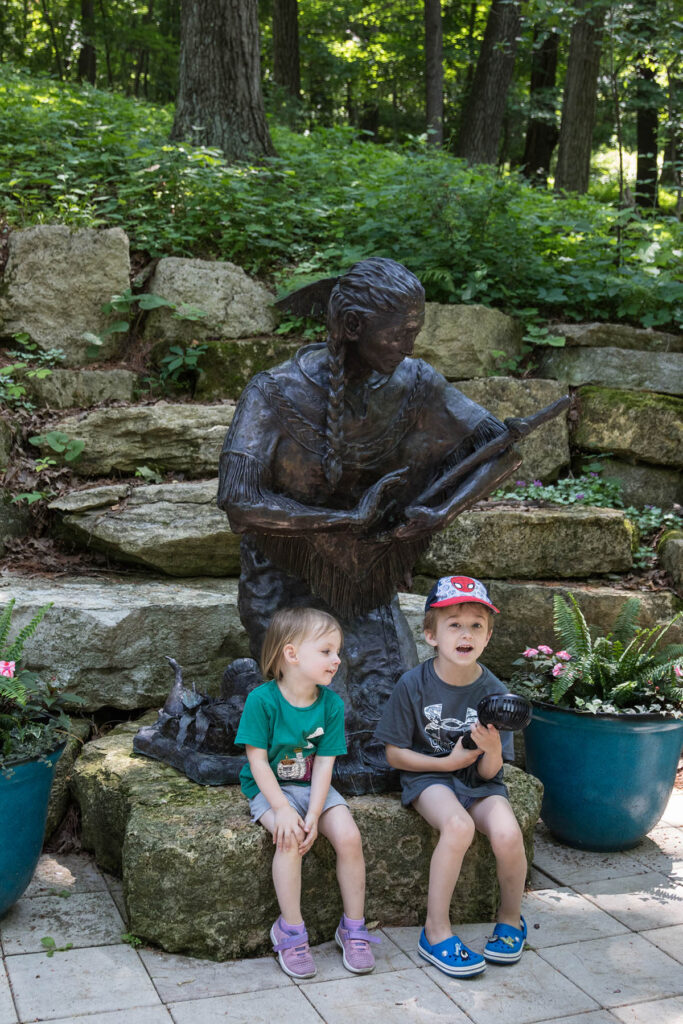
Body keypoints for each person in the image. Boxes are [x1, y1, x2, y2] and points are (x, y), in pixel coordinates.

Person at [218, 258, 522, 794]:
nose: (408, 346)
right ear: (354, 327)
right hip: (284, 580)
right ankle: (253, 702)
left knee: (388, 709)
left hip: (363, 582)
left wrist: (438, 511)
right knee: (315, 707)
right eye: (399, 334)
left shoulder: (414, 383)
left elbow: (498, 450)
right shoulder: (274, 392)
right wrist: (343, 518)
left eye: (415, 332)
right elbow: (239, 501)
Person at [374, 575, 527, 978]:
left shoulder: (494, 691)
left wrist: (491, 751)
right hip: (430, 778)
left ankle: (511, 919)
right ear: (431, 634)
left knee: (508, 833)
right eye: (454, 624)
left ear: (488, 636)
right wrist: (445, 764)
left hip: (480, 781)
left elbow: (493, 771)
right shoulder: (414, 684)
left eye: (477, 625)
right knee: (457, 827)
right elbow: (393, 753)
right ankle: (435, 931)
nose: (466, 633)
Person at [234, 606, 379, 980]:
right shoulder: (262, 701)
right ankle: (291, 930)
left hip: (313, 788)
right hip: (271, 789)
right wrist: (283, 810)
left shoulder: (330, 704)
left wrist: (315, 814)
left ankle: (354, 926)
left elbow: (326, 765)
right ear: (292, 654)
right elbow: (258, 762)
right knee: (289, 838)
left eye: (338, 651)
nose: (337, 660)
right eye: (327, 651)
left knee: (348, 835)